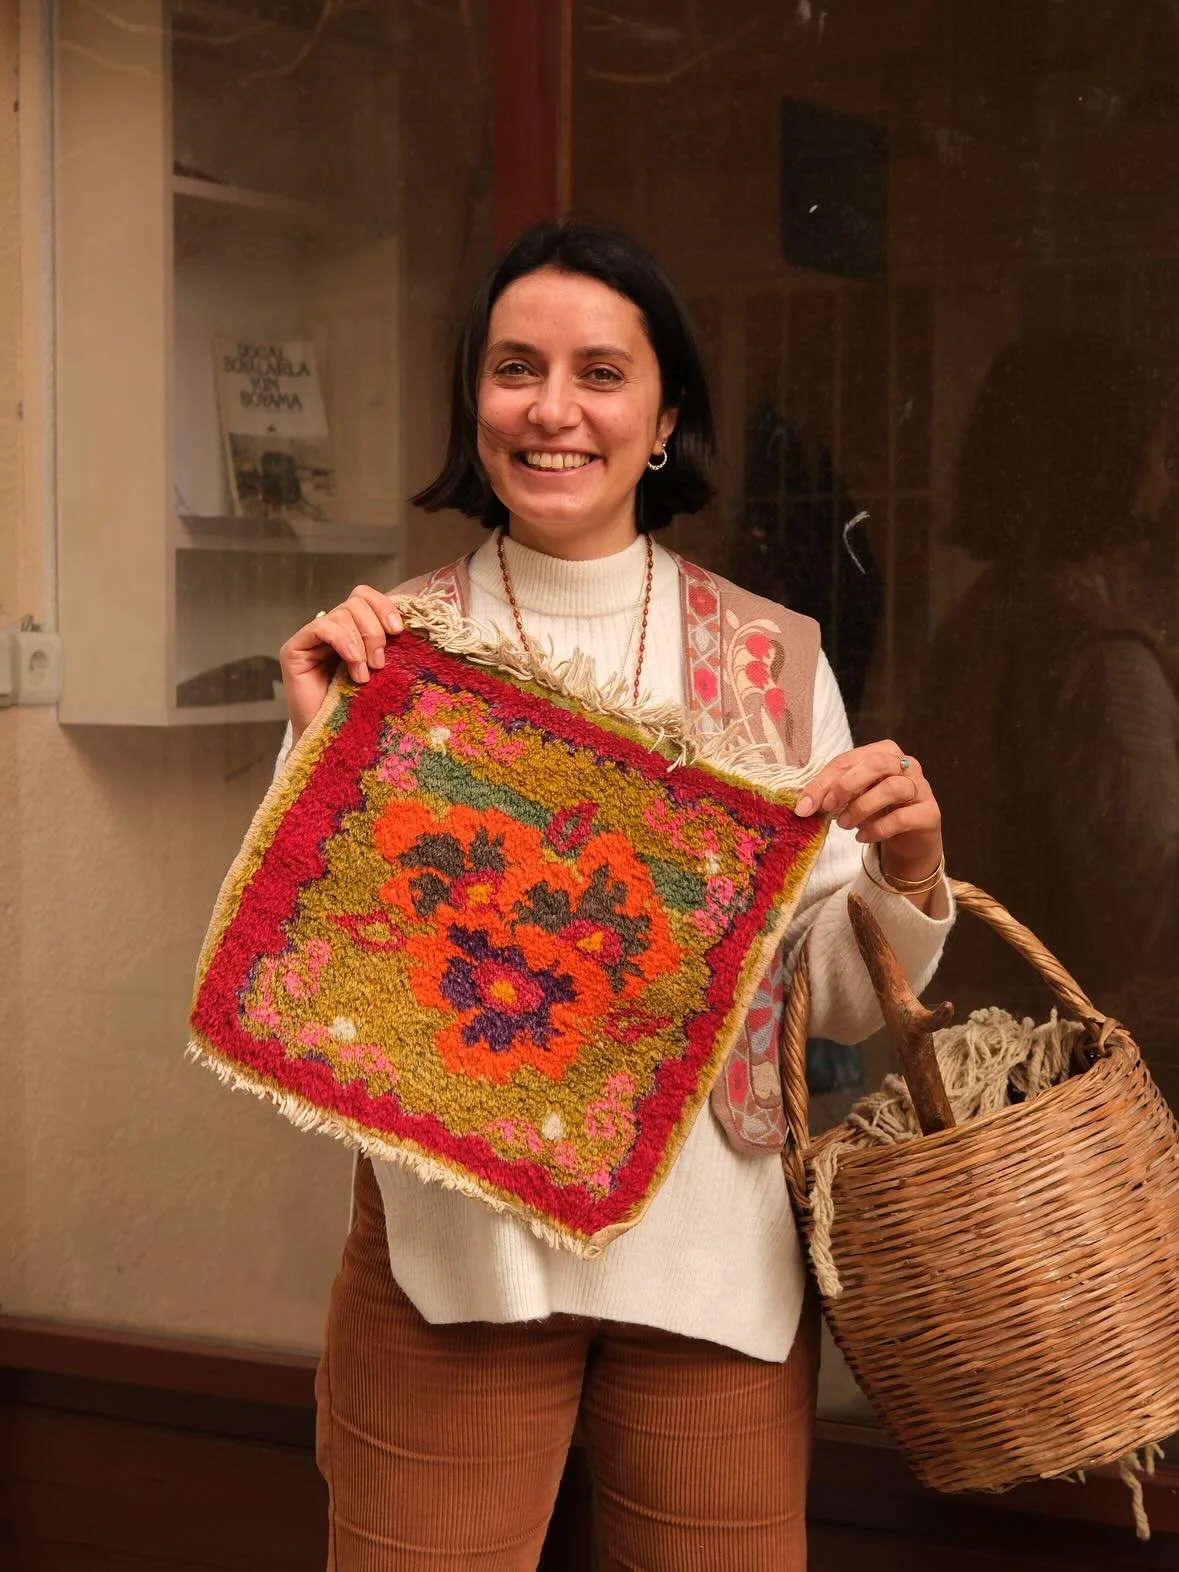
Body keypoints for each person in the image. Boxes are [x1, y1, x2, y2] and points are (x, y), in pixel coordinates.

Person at [274, 219, 954, 1571]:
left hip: (714, 1259)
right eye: (516, 368)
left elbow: (824, 999)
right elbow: (321, 971)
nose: (553, 408)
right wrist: (318, 741)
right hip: (455, 1258)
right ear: (475, 400)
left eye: (600, 372)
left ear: (662, 420)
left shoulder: (771, 660)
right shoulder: (396, 650)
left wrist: (907, 872)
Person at [902, 328, 1179, 1468]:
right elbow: (1140, 912)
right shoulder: (1097, 660)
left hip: (989, 1081)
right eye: (1154, 447)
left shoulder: (982, 625)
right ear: (1112, 462)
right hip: (1081, 1118)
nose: (1170, 475)